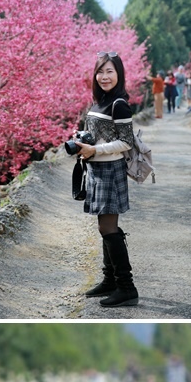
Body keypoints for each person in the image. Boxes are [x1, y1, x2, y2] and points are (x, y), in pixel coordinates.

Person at [71, 51, 140, 307]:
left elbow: (126, 142)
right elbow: (98, 133)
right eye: (100, 71)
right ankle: (110, 280)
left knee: (107, 228)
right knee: (105, 226)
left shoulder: (119, 103)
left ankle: (127, 287)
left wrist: (95, 150)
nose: (104, 76)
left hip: (110, 171)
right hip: (97, 170)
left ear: (119, 74)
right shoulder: (100, 101)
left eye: (110, 71)